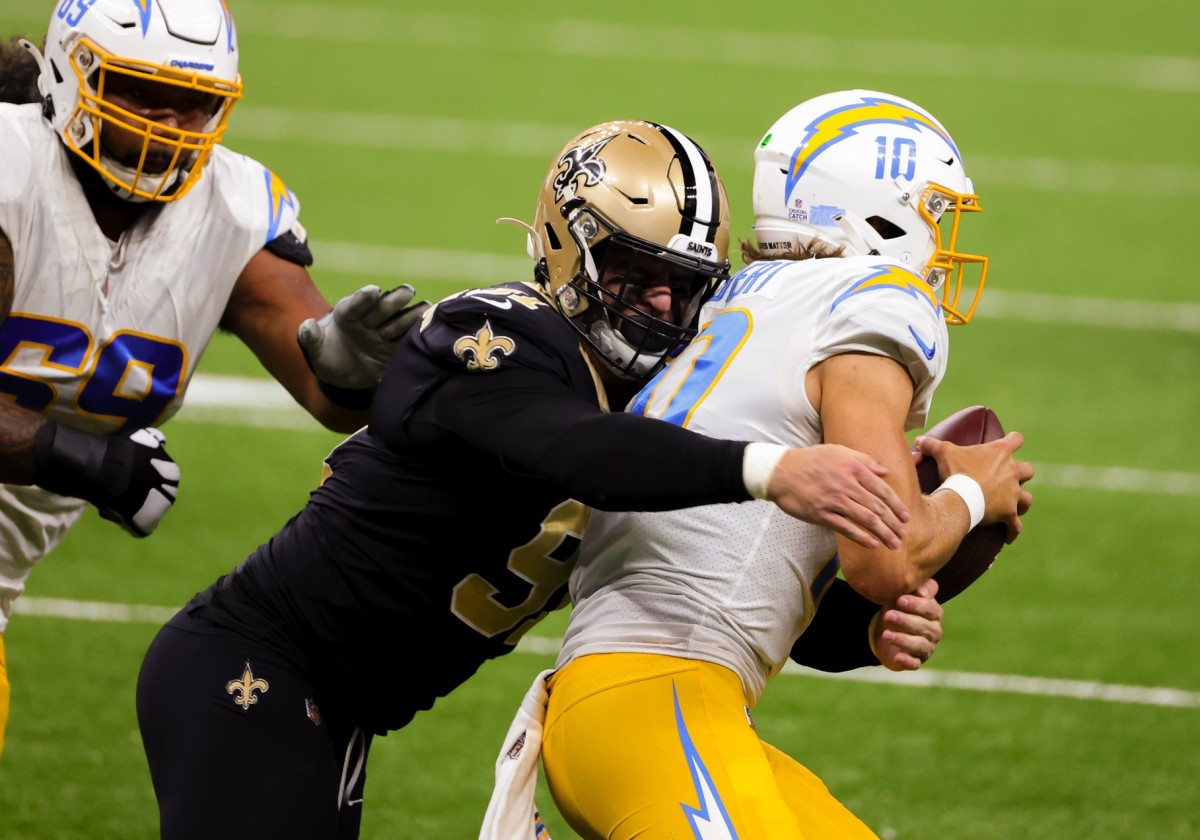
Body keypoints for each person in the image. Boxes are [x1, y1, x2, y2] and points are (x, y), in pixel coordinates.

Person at [135, 117, 920, 840]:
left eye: (680, 287)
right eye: (633, 274)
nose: (657, 305)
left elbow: (711, 576)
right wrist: (770, 465)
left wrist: (869, 626)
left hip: (344, 703)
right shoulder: (499, 331)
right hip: (258, 662)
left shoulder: (653, 404)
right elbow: (578, 451)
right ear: (567, 244)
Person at [504, 90, 1036, 840]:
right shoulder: (873, 295)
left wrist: (868, 626)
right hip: (655, 699)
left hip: (643, 707)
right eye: (933, 212)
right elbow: (884, 558)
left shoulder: (731, 302)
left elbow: (751, 540)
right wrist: (970, 496)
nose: (940, 242)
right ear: (879, 211)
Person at [0, 2, 426, 758]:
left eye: (195, 103)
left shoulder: (230, 209)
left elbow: (326, 384)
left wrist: (354, 375)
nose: (168, 124)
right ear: (73, 74)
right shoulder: (11, 170)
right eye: (138, 92)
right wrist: (85, 459)